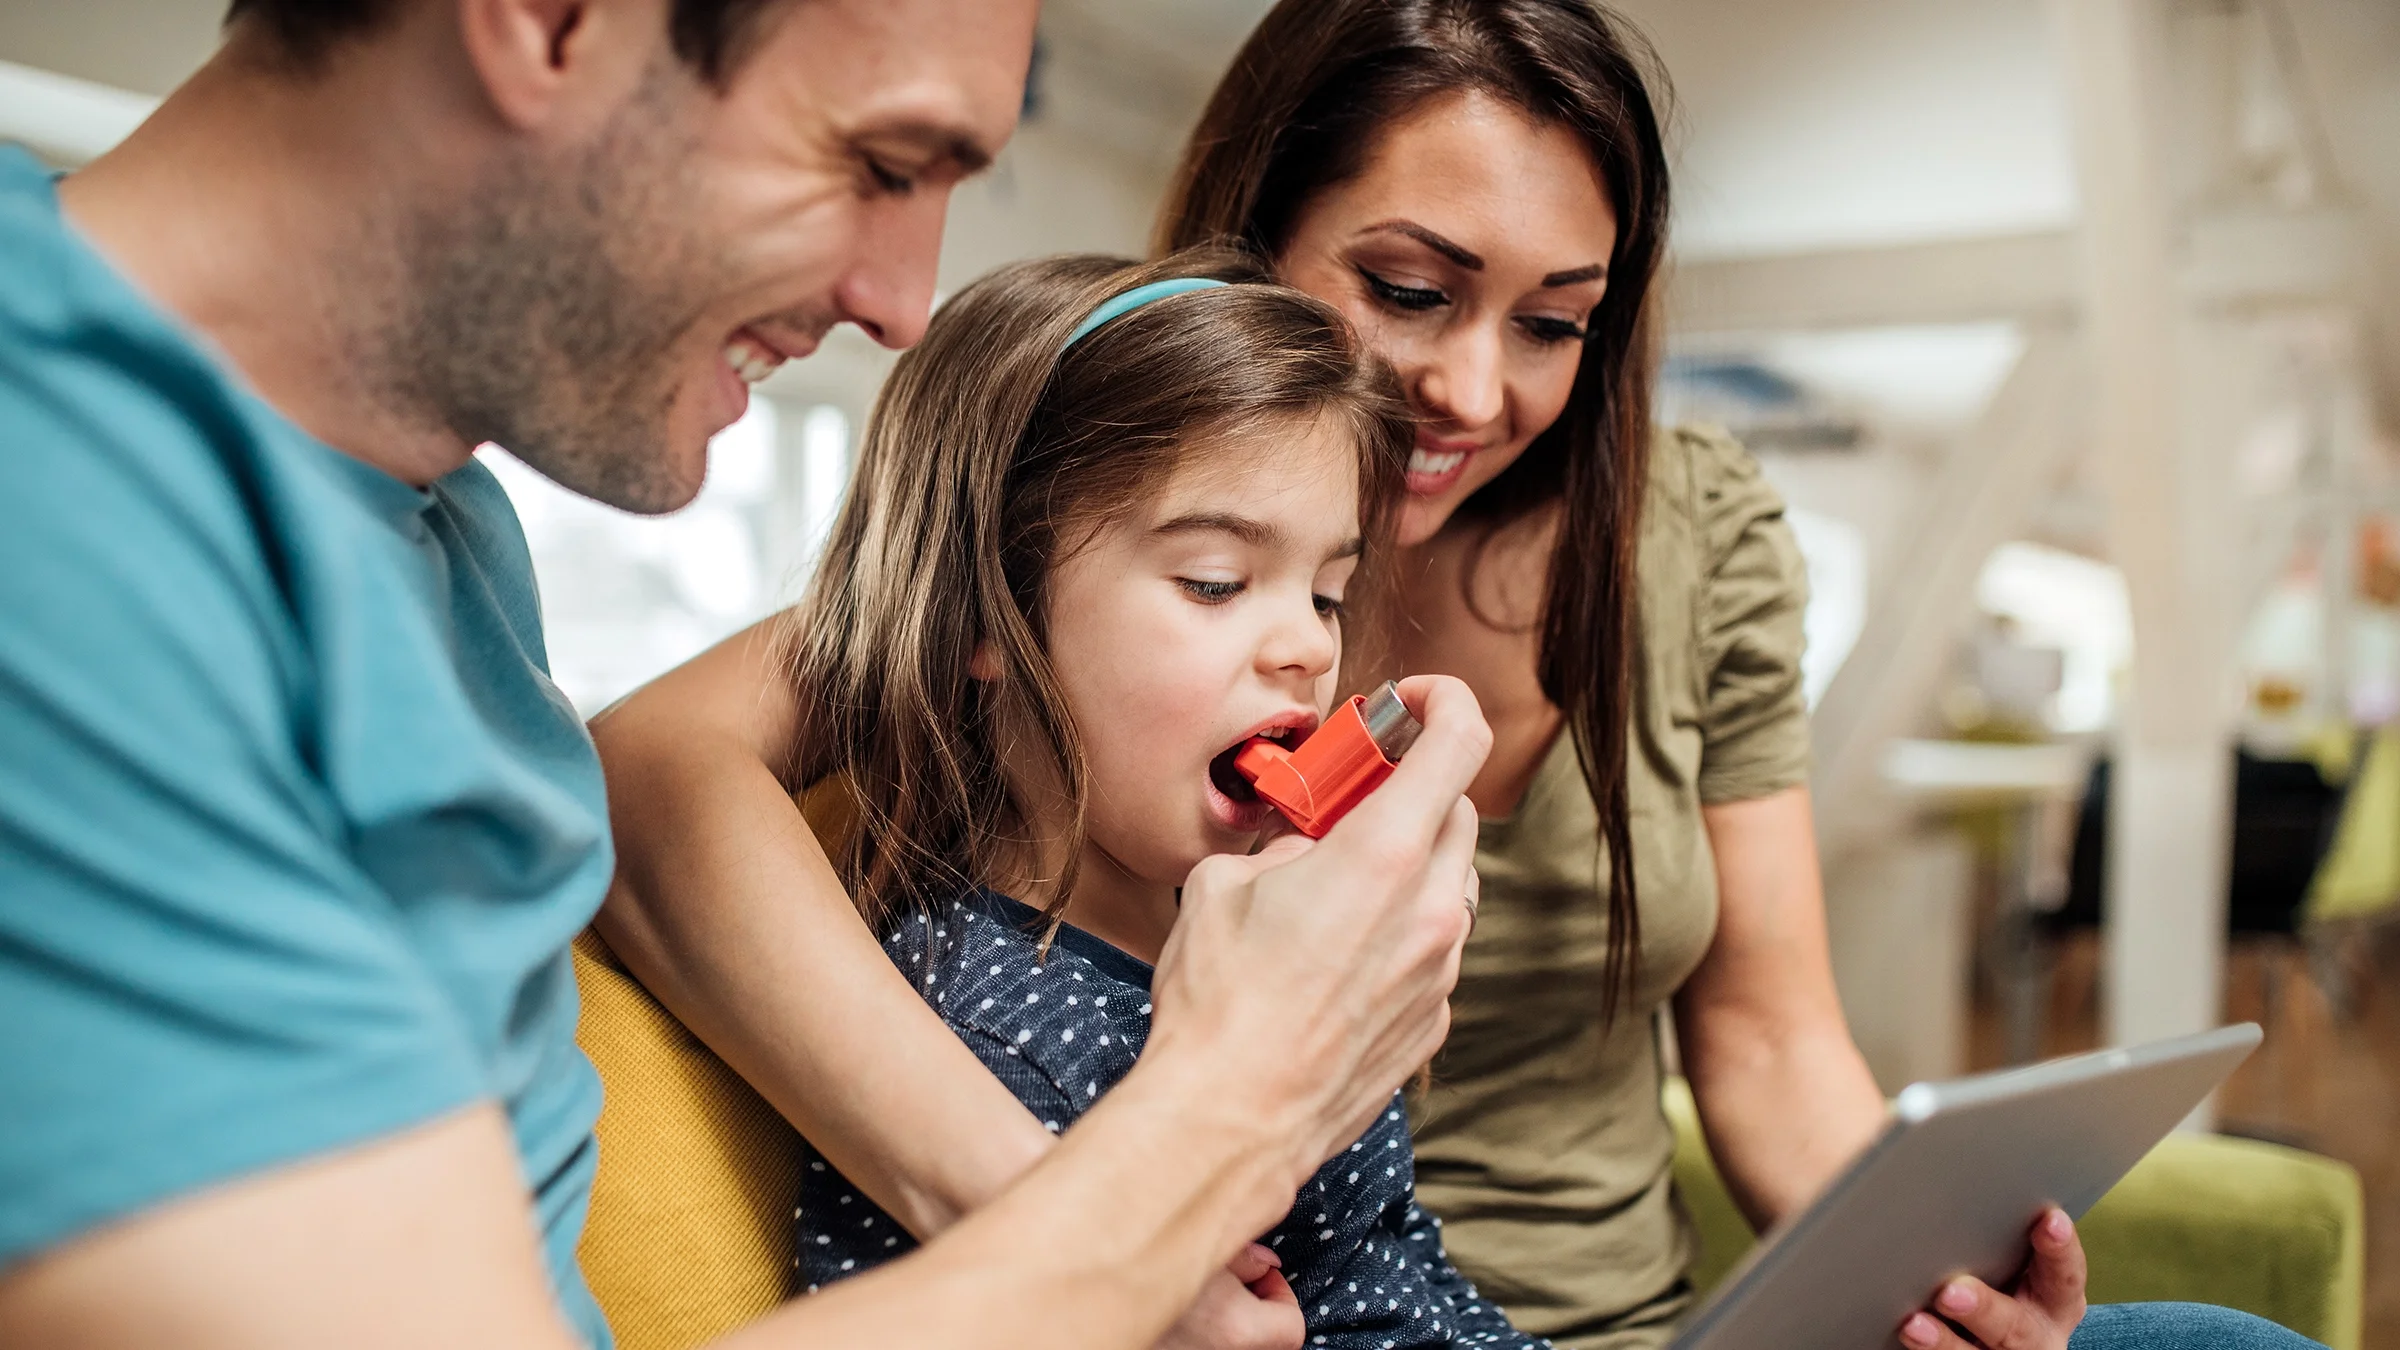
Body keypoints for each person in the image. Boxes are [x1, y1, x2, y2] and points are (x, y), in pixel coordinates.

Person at [593, 4, 2329, 1350]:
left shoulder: (1688, 539)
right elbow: (663, 761)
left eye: (1555, 321)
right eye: (1409, 289)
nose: (1472, 393)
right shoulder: (1068, 529)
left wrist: (1931, 1276)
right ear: (1247, 247)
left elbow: (1776, 1044)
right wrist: (1072, 1224)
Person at [0, 1, 1499, 1346]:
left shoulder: (436, 515)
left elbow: (659, 765)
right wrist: (1235, 1104)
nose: (903, 303)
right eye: (882, 162)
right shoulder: (56, 524)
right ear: (555, 22)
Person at [775, 247, 1542, 1350]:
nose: (1304, 648)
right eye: (1215, 583)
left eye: (1328, 592)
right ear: (989, 611)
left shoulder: (1248, 923)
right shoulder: (989, 1038)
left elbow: (1390, 1262)